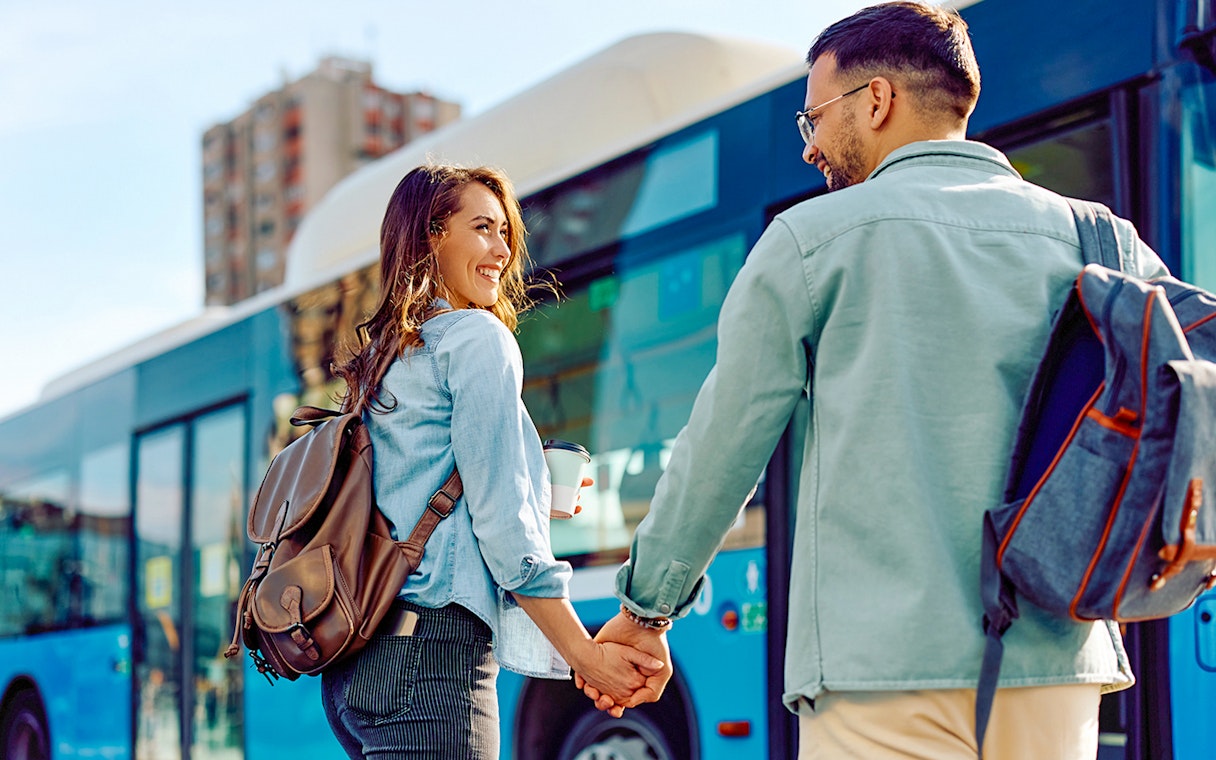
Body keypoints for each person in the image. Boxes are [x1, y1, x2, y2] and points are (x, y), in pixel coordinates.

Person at [581, 3, 1169, 758]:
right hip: (1059, 668)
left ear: (878, 100)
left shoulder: (811, 241)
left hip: (880, 673)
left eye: (814, 120)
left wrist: (645, 611)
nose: (810, 148)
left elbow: (721, 449)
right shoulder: (1102, 238)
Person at [323, 164, 663, 759]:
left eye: (507, 234)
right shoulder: (477, 338)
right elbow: (507, 531)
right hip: (433, 663)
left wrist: (533, 486)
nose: (504, 252)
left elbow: (416, 498)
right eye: (484, 228)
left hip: (359, 666)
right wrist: (587, 657)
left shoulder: (388, 355)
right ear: (432, 234)